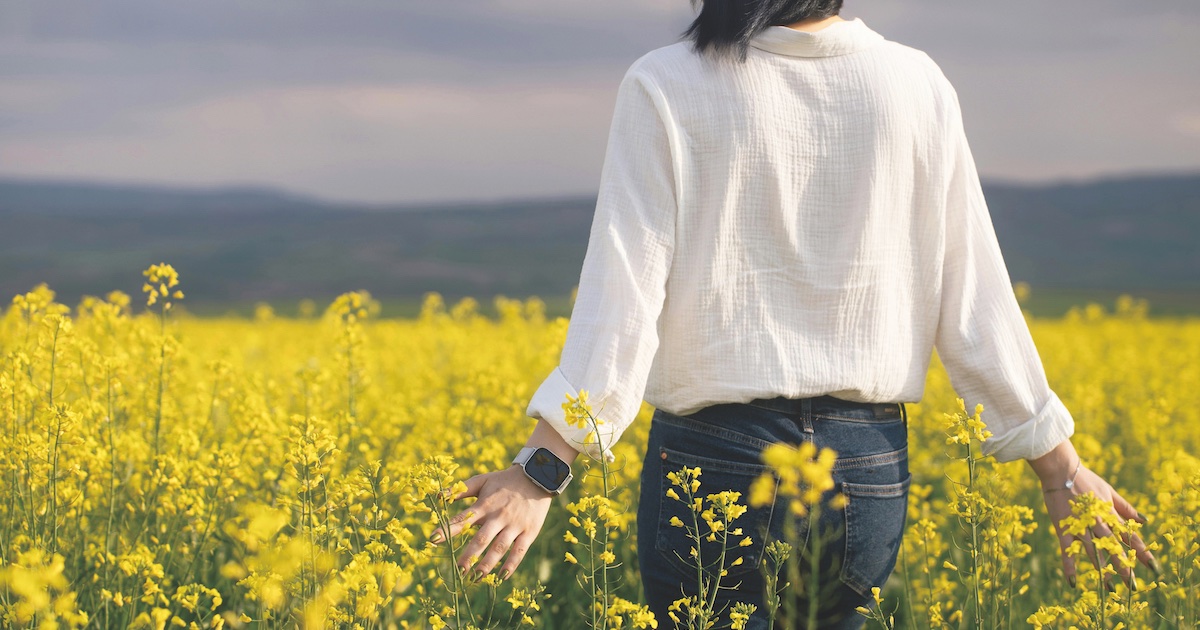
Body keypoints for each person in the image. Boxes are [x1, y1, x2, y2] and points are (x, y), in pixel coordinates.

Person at [431, 1, 1158, 627]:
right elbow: (975, 298)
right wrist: (1060, 472)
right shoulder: (917, 85)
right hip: (866, 465)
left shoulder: (667, 81)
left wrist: (542, 470)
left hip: (712, 458)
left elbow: (624, 291)